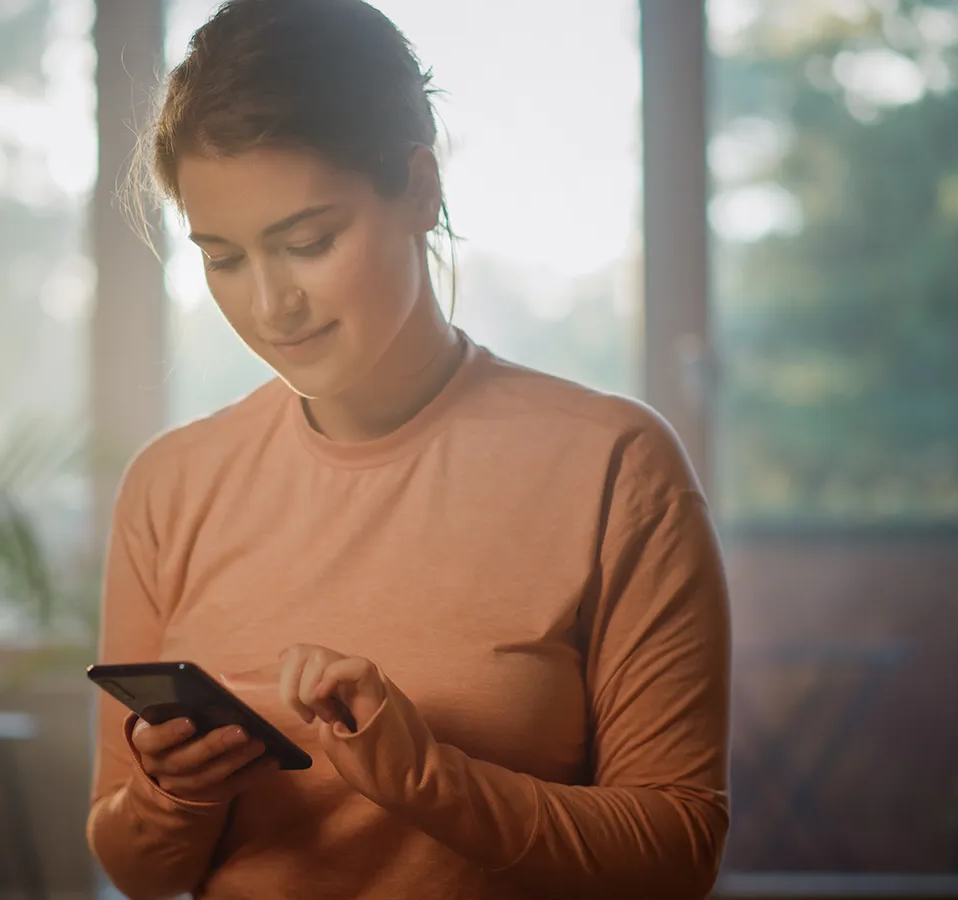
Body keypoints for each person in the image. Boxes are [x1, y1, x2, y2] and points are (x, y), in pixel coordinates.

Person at [85, 1, 731, 897]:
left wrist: (429, 781)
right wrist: (173, 795)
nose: (271, 306)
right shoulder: (170, 487)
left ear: (421, 190)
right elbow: (131, 866)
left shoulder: (614, 467)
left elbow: (678, 850)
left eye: (307, 242)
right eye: (223, 258)